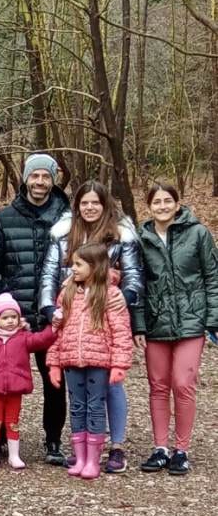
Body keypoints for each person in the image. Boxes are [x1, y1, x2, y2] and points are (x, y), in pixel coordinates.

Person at [38, 181, 143, 474]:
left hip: (103, 317)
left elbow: (134, 275)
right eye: (84, 203)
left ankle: (116, 446)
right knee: (80, 396)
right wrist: (51, 309)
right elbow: (49, 273)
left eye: (95, 202)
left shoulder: (121, 235)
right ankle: (82, 451)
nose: (90, 207)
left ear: (105, 204)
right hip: (70, 313)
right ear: (77, 206)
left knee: (111, 387)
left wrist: (122, 297)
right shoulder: (62, 235)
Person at [0, 152, 70, 462]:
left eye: (45, 176)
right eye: (35, 176)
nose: (40, 182)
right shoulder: (4, 219)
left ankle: (53, 441)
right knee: (2, 380)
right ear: (25, 179)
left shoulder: (67, 217)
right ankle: (0, 437)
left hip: (50, 315)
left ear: (53, 180)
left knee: (55, 381)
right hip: (11, 316)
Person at [137, 181, 218, 476]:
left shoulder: (198, 234)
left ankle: (181, 449)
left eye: (167, 201)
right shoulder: (141, 238)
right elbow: (138, 283)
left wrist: (213, 319)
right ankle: (160, 448)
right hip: (156, 322)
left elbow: (212, 277)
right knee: (158, 385)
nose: (162, 206)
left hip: (191, 322)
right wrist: (139, 324)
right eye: (156, 202)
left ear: (177, 203)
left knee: (183, 384)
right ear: (150, 206)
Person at [47, 242, 134, 480]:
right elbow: (58, 330)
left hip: (99, 362)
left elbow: (121, 332)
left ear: (94, 267)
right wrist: (54, 363)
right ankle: (81, 456)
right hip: (71, 361)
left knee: (95, 407)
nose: (72, 268)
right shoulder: (67, 293)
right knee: (77, 407)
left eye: (78, 264)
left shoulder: (111, 295)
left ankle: (94, 459)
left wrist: (119, 364)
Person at [0, 293, 55, 470]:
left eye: (13, 317)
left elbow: (41, 340)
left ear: (19, 318)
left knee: (13, 421)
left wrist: (53, 327)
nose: (10, 321)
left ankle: (14, 455)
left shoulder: (24, 338)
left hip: (15, 389)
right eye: (5, 317)